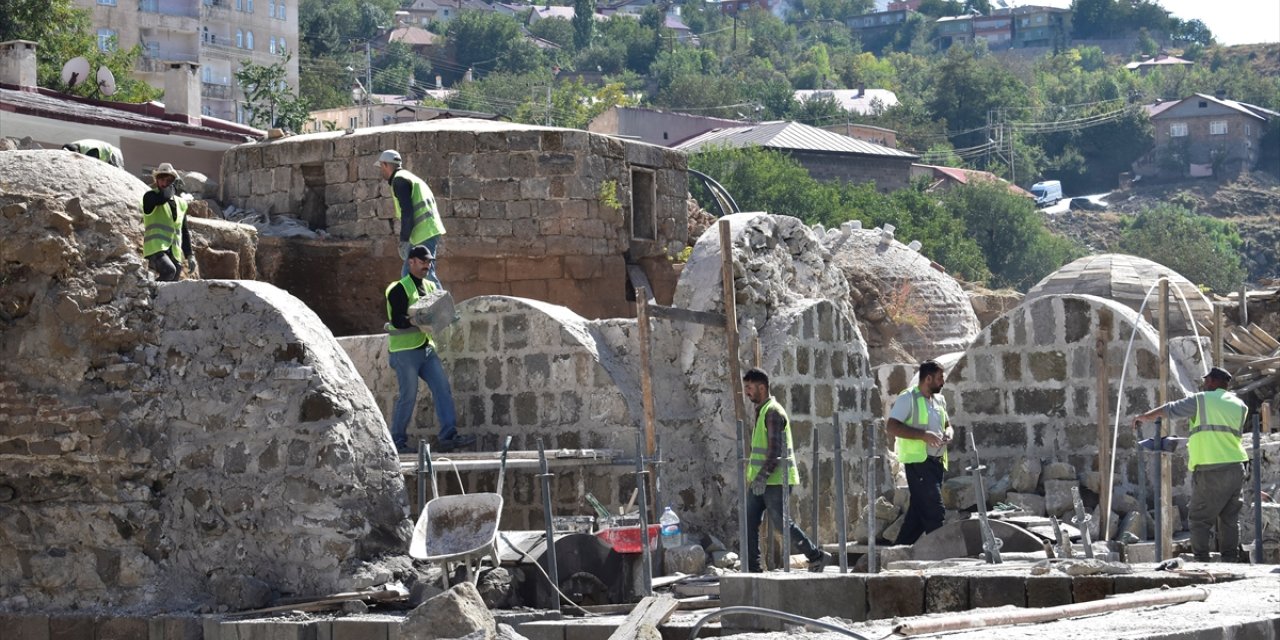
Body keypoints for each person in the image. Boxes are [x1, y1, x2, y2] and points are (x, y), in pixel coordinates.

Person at [1132, 366, 1249, 562]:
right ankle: (1231, 560)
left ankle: (1201, 561)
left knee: (1199, 519)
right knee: (1229, 518)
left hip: (1210, 467)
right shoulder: (1240, 405)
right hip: (1236, 466)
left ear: (1212, 381)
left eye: (1206, 381)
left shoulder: (1202, 399)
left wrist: (1144, 417)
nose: (1204, 384)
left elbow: (1171, 409)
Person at [385, 244, 475, 455]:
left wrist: (448, 316)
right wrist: (415, 319)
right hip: (404, 351)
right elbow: (397, 320)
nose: (427, 265)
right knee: (408, 395)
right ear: (411, 262)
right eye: (423, 261)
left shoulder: (431, 287)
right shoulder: (398, 288)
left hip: (425, 348)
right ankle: (397, 442)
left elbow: (438, 314)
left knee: (442, 388)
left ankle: (448, 437)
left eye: (429, 262)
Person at [742, 367, 831, 573]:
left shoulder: (772, 412)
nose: (747, 392)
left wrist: (762, 476)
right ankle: (753, 569)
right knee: (749, 522)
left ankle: (816, 556)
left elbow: (775, 450)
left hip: (775, 480)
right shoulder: (762, 411)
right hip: (761, 480)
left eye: (749, 387)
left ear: (762, 387)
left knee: (781, 524)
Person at [886, 360, 954, 546]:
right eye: (940, 378)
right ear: (928, 378)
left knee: (916, 516)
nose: (942, 382)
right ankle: (941, 554)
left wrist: (949, 433)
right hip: (918, 464)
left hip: (937, 464)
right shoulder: (908, 398)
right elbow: (892, 426)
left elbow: (947, 424)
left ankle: (896, 554)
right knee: (935, 511)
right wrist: (922, 435)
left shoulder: (939, 399)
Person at [378, 150, 444, 287]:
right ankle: (417, 306)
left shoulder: (399, 180)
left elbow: (407, 212)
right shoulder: (408, 177)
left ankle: (443, 308)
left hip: (424, 232)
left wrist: (404, 241)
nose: (380, 170)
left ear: (385, 165)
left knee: (426, 273)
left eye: (380, 167)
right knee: (408, 273)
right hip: (427, 230)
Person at [141, 163, 194, 282]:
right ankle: (151, 293)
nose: (164, 183)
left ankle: (160, 299)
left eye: (168, 180)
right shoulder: (150, 196)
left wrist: (189, 255)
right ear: (156, 180)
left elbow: (184, 231)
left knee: (174, 279)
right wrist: (173, 187)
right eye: (161, 179)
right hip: (155, 249)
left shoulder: (181, 203)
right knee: (169, 271)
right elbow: (163, 197)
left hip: (174, 251)